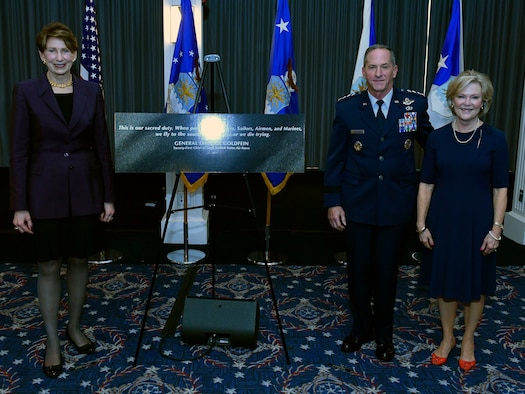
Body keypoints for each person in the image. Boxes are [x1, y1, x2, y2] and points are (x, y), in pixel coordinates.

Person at [9, 22, 115, 378]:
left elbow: (101, 145)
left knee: (80, 261)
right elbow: (20, 152)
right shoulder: (25, 92)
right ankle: (53, 340)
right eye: (51, 50)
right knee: (50, 265)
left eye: (65, 51)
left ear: (74, 54)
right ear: (42, 55)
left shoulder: (91, 91)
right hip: (43, 195)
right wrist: (19, 204)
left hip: (86, 192)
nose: (59, 57)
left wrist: (108, 197)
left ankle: (74, 326)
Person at [324, 44, 433, 362]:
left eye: (385, 67)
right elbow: (335, 159)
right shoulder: (347, 109)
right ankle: (361, 329)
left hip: (396, 206)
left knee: (387, 273)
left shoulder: (413, 105)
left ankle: (384, 335)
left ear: (395, 70)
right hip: (357, 204)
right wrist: (333, 201)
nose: (379, 73)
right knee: (358, 271)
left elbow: (434, 146)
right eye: (372, 67)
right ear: (364, 72)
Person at [416, 70, 508, 371]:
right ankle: (447, 337)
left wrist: (496, 230)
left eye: (474, 97)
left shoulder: (496, 139)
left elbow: (500, 189)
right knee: (444, 281)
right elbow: (426, 184)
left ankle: (468, 338)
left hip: (479, 222)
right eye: (461, 96)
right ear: (452, 100)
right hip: (443, 220)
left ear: (483, 102)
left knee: (475, 284)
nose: (467, 102)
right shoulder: (438, 139)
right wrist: (421, 225)